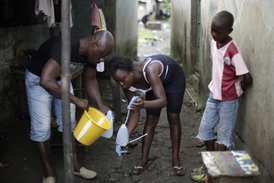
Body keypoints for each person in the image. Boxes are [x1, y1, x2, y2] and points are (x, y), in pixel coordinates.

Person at [25, 30, 115, 183]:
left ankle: (76, 167)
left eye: (105, 57)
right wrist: (75, 99)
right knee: (42, 127)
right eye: (102, 55)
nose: (101, 60)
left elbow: (91, 80)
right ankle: (48, 173)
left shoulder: (91, 55)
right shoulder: (65, 47)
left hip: (61, 80)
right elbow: (46, 81)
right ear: (94, 43)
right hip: (38, 81)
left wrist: (101, 105)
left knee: (69, 124)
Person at [190, 11, 252, 182]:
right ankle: (211, 166)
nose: (214, 34)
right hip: (213, 95)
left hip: (228, 101)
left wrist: (237, 90)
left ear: (229, 31)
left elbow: (247, 78)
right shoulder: (213, 42)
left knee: (223, 137)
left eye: (219, 32)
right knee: (205, 129)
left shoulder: (233, 50)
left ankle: (212, 172)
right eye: (212, 30)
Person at [109, 54, 186, 176]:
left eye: (123, 80)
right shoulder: (127, 86)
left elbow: (163, 101)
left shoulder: (149, 70)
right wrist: (124, 137)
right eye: (118, 82)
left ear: (131, 72)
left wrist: (143, 103)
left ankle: (175, 159)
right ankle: (143, 160)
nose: (121, 84)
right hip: (154, 85)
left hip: (173, 78)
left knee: (173, 117)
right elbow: (134, 111)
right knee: (151, 119)